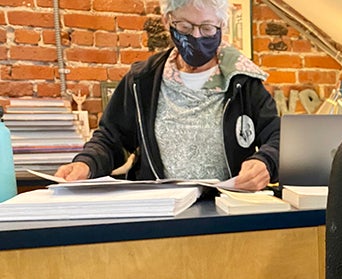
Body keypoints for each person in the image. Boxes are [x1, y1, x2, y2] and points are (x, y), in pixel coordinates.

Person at [54, 0, 279, 192]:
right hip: (159, 210)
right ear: (166, 21)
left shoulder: (244, 81)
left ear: (222, 25)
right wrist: (87, 163)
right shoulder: (142, 80)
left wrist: (265, 162)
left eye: (208, 28)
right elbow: (112, 138)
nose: (196, 36)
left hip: (225, 209)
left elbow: (279, 137)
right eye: (184, 26)